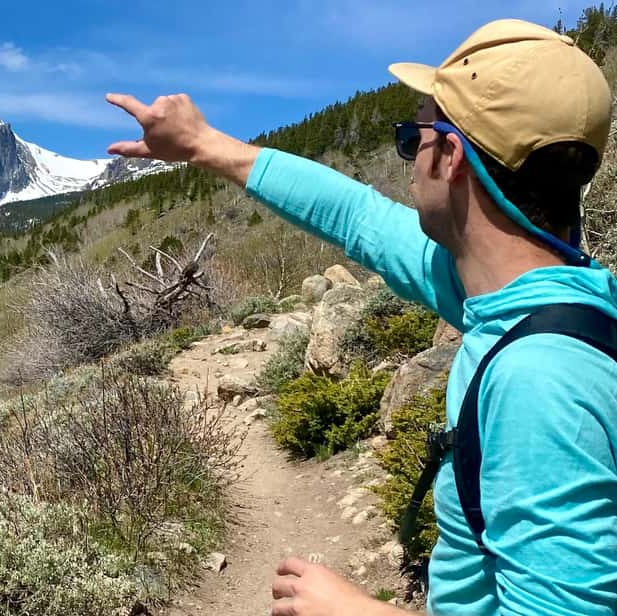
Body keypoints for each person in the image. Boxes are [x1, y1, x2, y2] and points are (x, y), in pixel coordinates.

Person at [105, 18, 617, 616]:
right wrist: (201, 144)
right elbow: (360, 219)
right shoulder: (543, 301)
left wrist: (357, 610)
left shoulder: (539, 379)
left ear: (449, 155)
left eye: (412, 136)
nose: (409, 157)